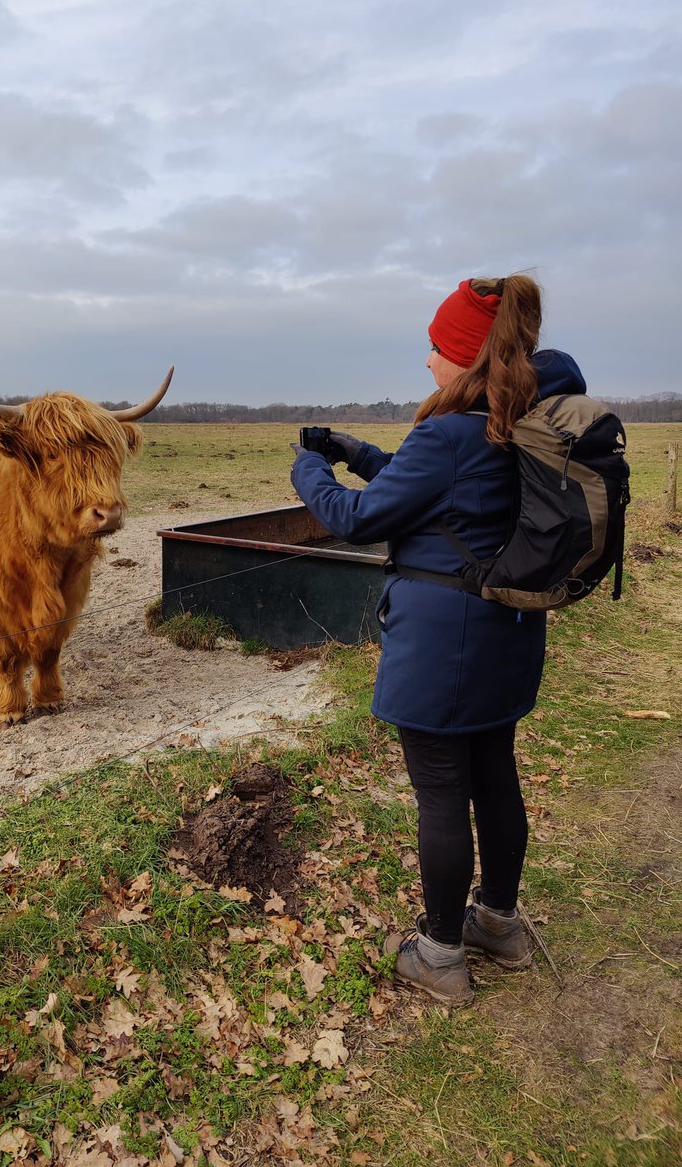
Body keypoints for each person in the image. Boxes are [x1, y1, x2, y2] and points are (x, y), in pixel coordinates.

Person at [290, 274, 586, 1006]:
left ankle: (442, 956)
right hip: (508, 635)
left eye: (437, 346)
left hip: (444, 650)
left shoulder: (450, 432)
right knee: (495, 776)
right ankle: (500, 926)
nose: (427, 360)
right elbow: (433, 496)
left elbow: (361, 520)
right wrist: (358, 451)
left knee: (442, 795)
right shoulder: (513, 421)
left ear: (465, 356)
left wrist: (308, 471)